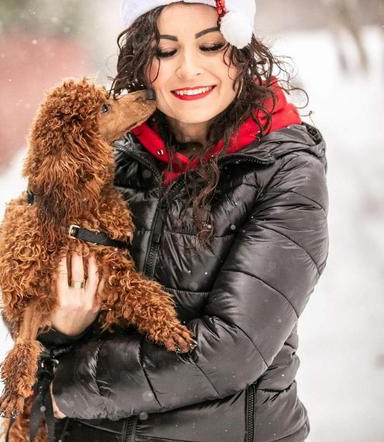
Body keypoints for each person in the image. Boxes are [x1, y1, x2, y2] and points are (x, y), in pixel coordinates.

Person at [36, 1, 329, 441]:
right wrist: (59, 330)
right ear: (141, 61)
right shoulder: (109, 157)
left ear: (242, 48)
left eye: (211, 46)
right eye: (165, 51)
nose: (189, 69)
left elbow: (230, 351)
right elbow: (33, 282)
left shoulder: (285, 172)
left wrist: (66, 390)